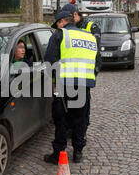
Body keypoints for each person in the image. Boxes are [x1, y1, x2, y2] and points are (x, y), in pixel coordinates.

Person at [43, 11, 101, 164]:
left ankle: (58, 153)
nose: (57, 27)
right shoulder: (89, 36)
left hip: (64, 85)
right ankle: (78, 152)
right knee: (80, 118)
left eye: (57, 24)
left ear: (62, 21)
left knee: (61, 118)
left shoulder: (59, 35)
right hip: (84, 84)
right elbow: (97, 62)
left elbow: (49, 62)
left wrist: (54, 80)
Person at [60, 3, 101, 130]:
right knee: (69, 107)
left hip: (84, 74)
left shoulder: (90, 27)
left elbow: (96, 53)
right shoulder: (65, 29)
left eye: (69, 17)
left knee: (83, 107)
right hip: (68, 75)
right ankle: (71, 129)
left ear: (75, 15)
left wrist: (93, 73)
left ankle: (82, 130)